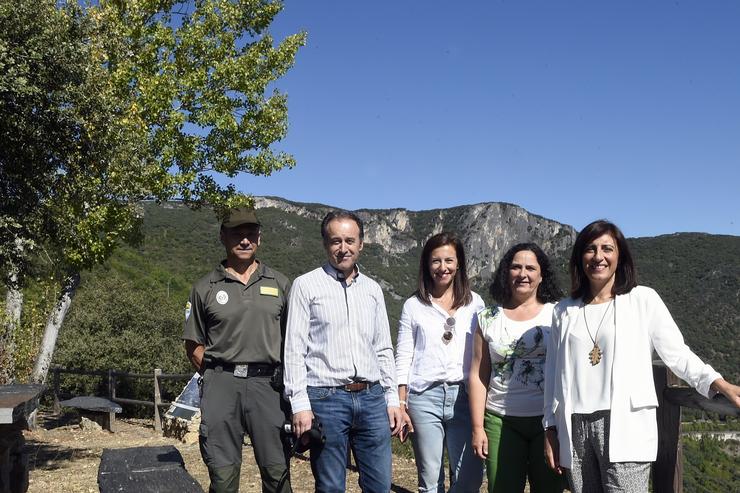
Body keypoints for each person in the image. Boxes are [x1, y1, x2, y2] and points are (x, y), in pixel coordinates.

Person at [543, 219, 740, 493]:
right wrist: (549, 428)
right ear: (579, 257)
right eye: (590, 249)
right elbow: (552, 373)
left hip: (625, 423)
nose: (598, 256)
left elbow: (677, 354)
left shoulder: (642, 300)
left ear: (619, 255)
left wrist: (718, 383)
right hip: (574, 427)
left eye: (607, 248)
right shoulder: (563, 311)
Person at [283, 210, 403, 493]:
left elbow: (383, 347)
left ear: (361, 244)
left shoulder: (373, 290)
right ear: (326, 244)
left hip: (373, 398)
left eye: (350, 240)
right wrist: (299, 404)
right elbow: (294, 349)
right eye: (336, 241)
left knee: (380, 485)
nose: (343, 248)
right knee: (330, 486)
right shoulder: (306, 285)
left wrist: (392, 399)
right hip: (326, 398)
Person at [183, 207, 292, 493]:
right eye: (237, 234)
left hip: (269, 386)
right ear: (223, 236)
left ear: (260, 237)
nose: (245, 240)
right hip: (222, 383)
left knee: (277, 472)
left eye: (250, 234)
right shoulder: (204, 288)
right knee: (222, 475)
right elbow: (193, 344)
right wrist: (218, 377)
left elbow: (294, 341)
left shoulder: (280, 283)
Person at [468, 243, 564, 493]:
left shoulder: (558, 314)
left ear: (542, 275)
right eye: (516, 267)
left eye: (530, 268)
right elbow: (479, 374)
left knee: (549, 489)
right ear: (506, 272)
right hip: (501, 421)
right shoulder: (487, 318)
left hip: (549, 423)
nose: (523, 274)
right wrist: (478, 427)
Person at [395, 232, 485, 492]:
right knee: (430, 480)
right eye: (436, 261)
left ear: (459, 265)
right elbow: (403, 355)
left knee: (468, 479)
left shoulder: (475, 303)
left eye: (449, 260)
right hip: (424, 397)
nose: (442, 267)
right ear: (426, 264)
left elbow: (483, 355)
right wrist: (401, 403)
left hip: (465, 398)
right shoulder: (413, 305)